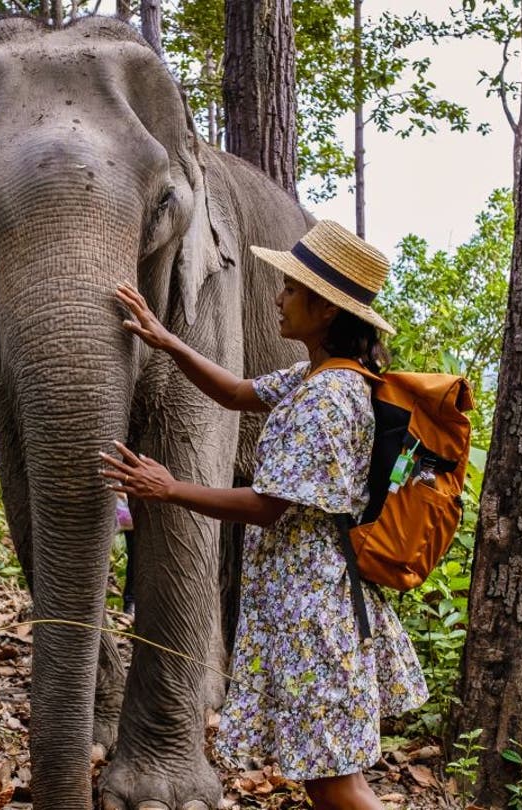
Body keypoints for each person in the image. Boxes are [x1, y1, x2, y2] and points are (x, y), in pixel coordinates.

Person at [99, 220, 427, 810]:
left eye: (290, 290)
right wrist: (165, 339)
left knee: (337, 783)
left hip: (315, 614)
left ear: (326, 310)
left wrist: (170, 489)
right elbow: (234, 392)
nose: (277, 299)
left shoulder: (328, 398)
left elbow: (270, 505)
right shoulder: (315, 378)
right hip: (304, 607)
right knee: (322, 775)